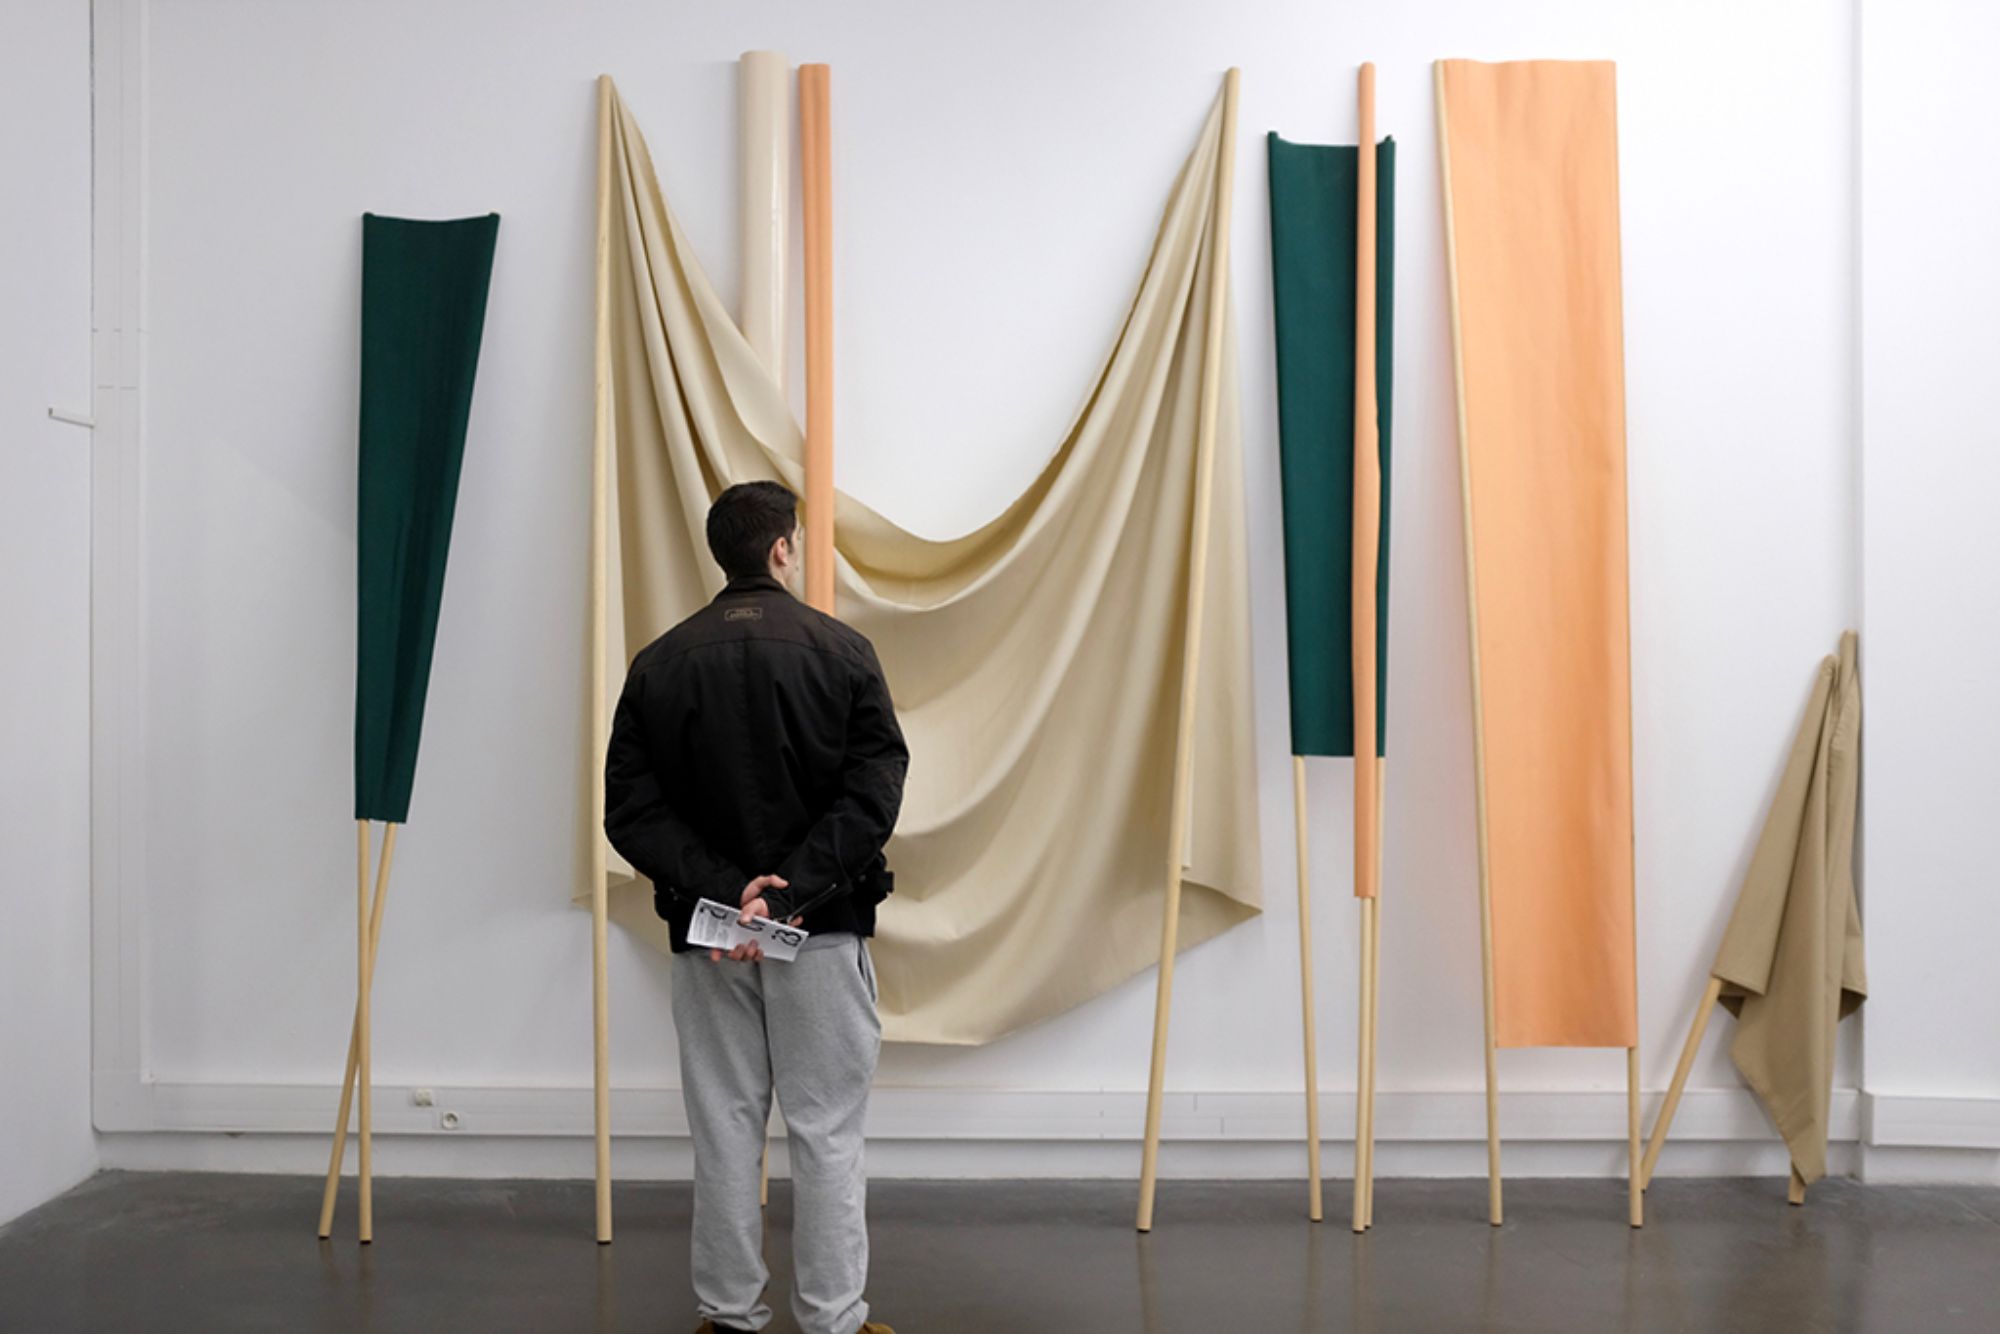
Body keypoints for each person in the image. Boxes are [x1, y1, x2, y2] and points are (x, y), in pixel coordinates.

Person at [605, 481, 907, 1334]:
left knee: (724, 1128)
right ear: (782, 549)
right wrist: (790, 891)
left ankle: (730, 1316)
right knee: (826, 1131)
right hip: (821, 928)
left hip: (709, 934)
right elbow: (874, 793)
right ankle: (833, 1321)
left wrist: (729, 894)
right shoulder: (844, 652)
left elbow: (630, 810)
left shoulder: (658, 663)